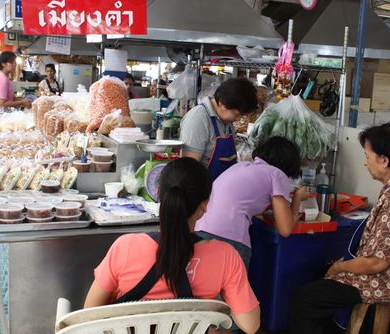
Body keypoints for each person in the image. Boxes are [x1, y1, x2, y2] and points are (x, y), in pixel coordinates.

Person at [84, 158, 261, 334]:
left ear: (159, 194)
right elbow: (250, 325)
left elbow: (89, 314)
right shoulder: (225, 256)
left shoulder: (125, 246)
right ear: (204, 206)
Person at [288, 123, 390, 334]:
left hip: (389, 281)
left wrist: (339, 268)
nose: (366, 163)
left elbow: (376, 263)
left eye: (367, 156)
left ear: (383, 160)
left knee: (304, 299)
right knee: (319, 275)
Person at [195, 137, 310, 269]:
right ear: (289, 164)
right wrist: (297, 198)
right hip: (229, 239)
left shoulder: (240, 166)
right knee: (232, 289)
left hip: (200, 230)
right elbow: (285, 229)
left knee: (204, 287)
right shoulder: (277, 174)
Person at [180, 78, 258, 180]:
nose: (238, 119)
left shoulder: (226, 120)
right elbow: (189, 167)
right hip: (204, 189)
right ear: (221, 103)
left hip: (223, 187)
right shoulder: (198, 118)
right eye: (237, 114)